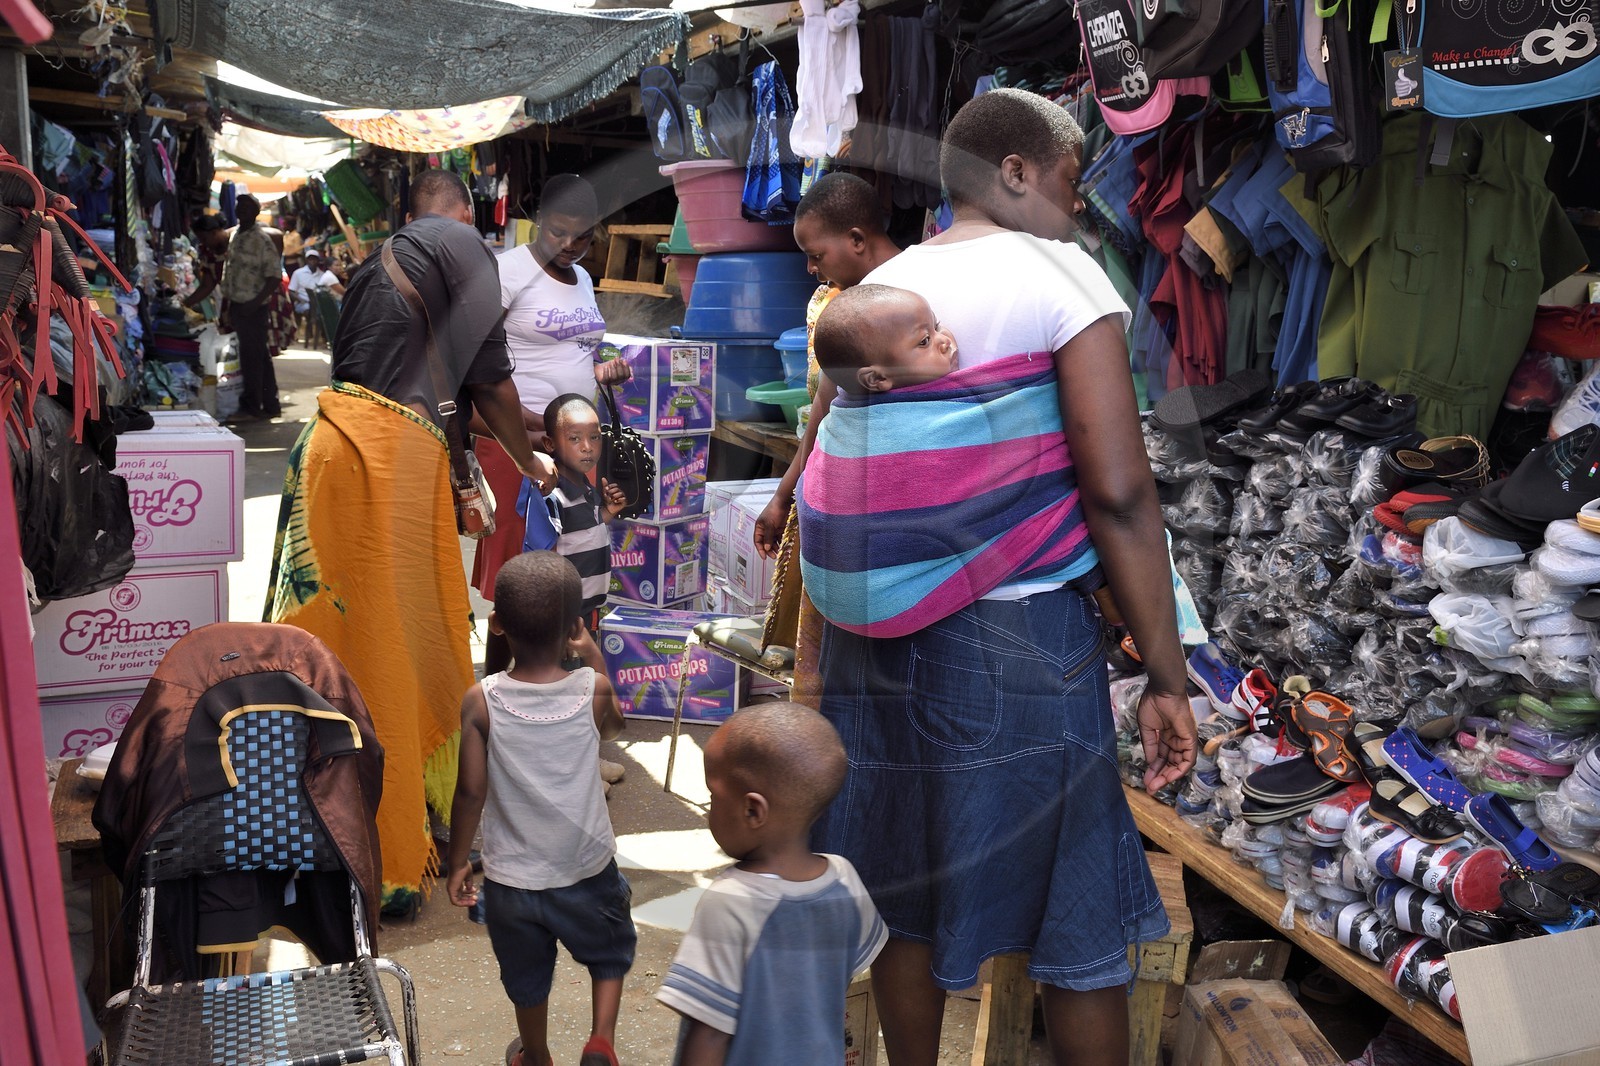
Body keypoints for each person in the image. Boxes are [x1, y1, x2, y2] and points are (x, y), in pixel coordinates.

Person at [809, 89, 1198, 1066]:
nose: (1078, 211)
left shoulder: (887, 292)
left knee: (904, 886)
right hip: (1016, 642)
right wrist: (1166, 673)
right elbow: (1116, 490)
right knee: (1077, 918)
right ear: (1016, 173)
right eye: (1070, 186)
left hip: (875, 635)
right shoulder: (1059, 273)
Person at [266, 169, 557, 917]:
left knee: (342, 649)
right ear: (463, 215)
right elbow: (491, 388)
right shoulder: (468, 249)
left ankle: (320, 832)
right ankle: (391, 858)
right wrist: (531, 461)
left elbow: (420, 388)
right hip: (387, 470)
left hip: (331, 453)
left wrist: (472, 466)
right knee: (397, 652)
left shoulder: (373, 269)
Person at [446, 551, 633, 1066]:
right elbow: (615, 729)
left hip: (512, 881)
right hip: (586, 866)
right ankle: (601, 1040)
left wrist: (459, 860)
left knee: (526, 978)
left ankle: (537, 1053)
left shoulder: (481, 700)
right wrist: (595, 656)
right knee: (610, 951)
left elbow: (469, 792)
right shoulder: (591, 690)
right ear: (576, 626)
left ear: (498, 623)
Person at [657, 702, 887, 1065]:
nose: (707, 809)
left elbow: (710, 1034)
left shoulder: (731, 902)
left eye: (713, 796)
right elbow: (847, 971)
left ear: (753, 811)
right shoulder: (845, 881)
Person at [750, 173, 901, 708]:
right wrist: (783, 493)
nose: (812, 269)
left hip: (891, 516)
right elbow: (824, 410)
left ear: (857, 239)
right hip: (838, 507)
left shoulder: (910, 299)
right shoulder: (843, 305)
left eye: (817, 255)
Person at [472, 174, 630, 677]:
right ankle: (500, 697)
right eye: (558, 231)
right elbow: (474, 367)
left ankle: (564, 703)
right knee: (517, 582)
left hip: (573, 448)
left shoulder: (581, 278)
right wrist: (534, 428)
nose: (568, 245)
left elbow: (580, 347)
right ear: (536, 220)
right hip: (521, 447)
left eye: (582, 236)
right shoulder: (507, 271)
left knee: (571, 577)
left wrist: (604, 366)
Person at [542, 394, 629, 629]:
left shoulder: (587, 487)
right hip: (564, 615)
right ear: (550, 444)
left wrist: (607, 512)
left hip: (589, 609)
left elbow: (583, 528)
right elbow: (544, 557)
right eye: (574, 439)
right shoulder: (553, 495)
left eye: (594, 437)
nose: (587, 447)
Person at [218, 194, 284, 419]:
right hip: (238, 304)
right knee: (258, 356)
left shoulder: (261, 239)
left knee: (252, 358)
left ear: (256, 212)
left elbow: (274, 276)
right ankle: (270, 405)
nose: (241, 210)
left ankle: (253, 407)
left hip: (253, 307)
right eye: (239, 206)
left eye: (247, 207)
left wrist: (255, 303)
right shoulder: (236, 234)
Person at [288, 249, 344, 348]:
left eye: (315, 259)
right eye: (310, 259)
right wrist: (301, 300)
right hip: (303, 302)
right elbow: (291, 291)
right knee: (310, 309)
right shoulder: (298, 273)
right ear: (306, 260)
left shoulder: (322, 274)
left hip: (318, 303)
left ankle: (323, 334)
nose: (312, 261)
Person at [183, 215, 231, 313]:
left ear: (214, 233)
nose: (203, 243)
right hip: (231, 304)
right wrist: (184, 304)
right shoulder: (209, 255)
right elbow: (207, 286)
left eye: (204, 239)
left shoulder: (237, 242)